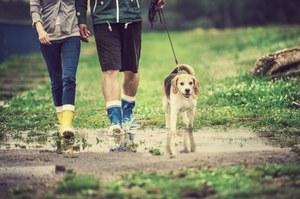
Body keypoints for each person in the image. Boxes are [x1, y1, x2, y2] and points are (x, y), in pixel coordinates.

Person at [75, 0, 165, 134]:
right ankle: (115, 120)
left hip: (131, 17)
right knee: (110, 69)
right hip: (103, 18)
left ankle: (127, 114)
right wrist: (81, 19)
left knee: (132, 70)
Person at [30, 0, 81, 140]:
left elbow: (80, 4)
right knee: (56, 81)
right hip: (47, 36)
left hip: (71, 34)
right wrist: (40, 31)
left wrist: (82, 22)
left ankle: (67, 124)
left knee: (69, 77)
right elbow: (34, 8)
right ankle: (62, 123)